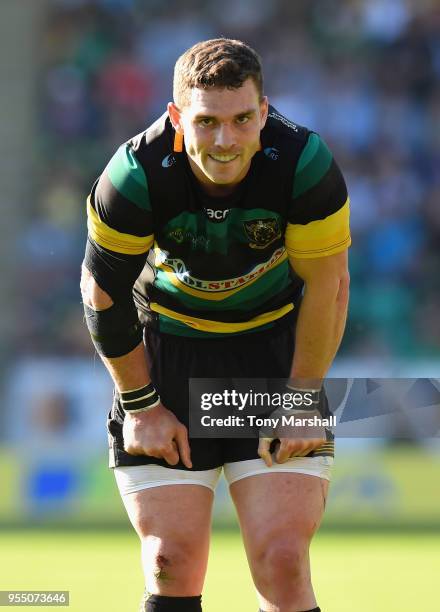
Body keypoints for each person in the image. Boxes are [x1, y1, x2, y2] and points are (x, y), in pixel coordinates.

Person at [81, 38, 350, 612]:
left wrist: (301, 396)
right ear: (177, 116)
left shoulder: (304, 163)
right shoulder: (134, 172)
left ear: (264, 110)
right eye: (206, 122)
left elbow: (330, 285)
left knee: (282, 561)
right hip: (168, 359)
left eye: (242, 119)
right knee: (169, 562)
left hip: (269, 361)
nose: (225, 141)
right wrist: (141, 405)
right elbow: (101, 290)